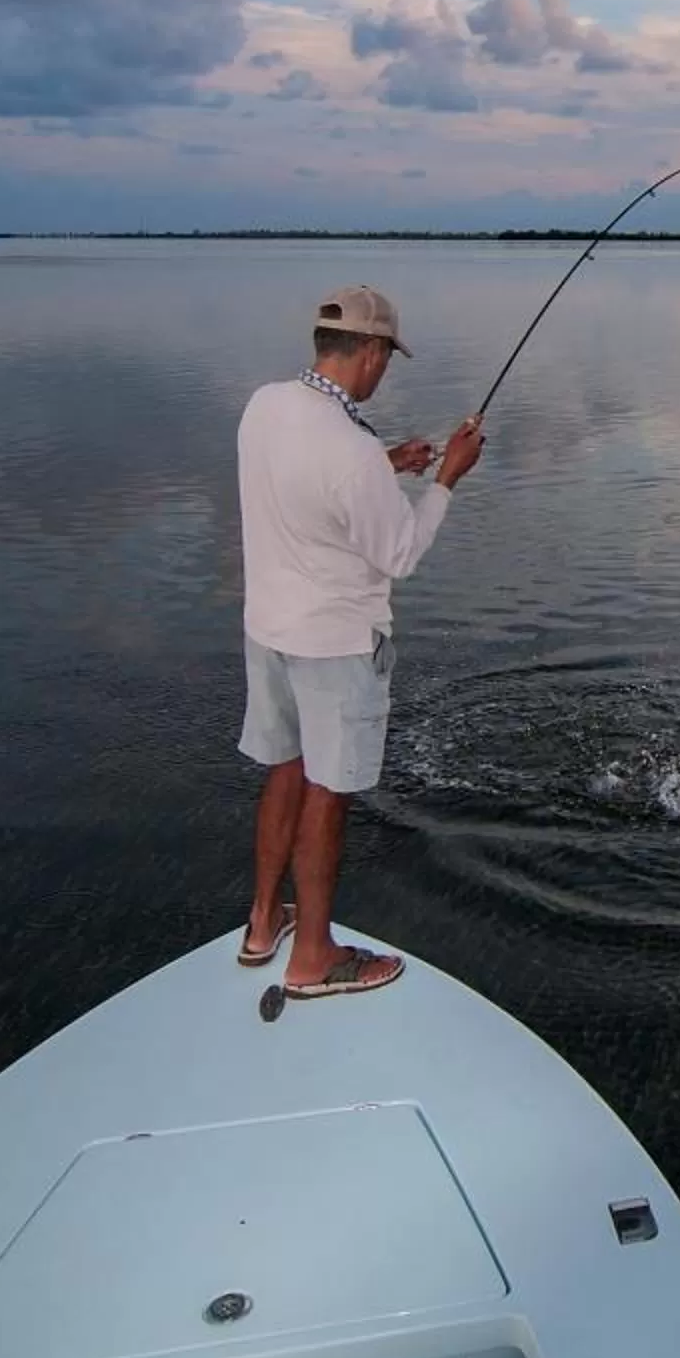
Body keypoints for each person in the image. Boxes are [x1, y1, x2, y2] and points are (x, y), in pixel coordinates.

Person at [233, 283, 484, 998]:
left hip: (267, 631)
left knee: (283, 769)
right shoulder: (346, 448)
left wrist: (387, 465)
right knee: (327, 792)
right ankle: (313, 957)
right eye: (387, 358)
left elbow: (306, 481)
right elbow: (399, 553)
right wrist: (444, 480)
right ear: (370, 352)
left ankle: (261, 924)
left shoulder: (265, 406)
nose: (386, 371)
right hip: (335, 645)